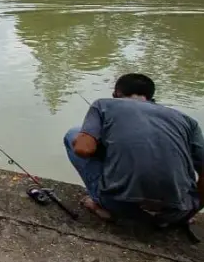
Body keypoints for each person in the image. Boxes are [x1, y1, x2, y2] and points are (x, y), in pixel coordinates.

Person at [64, 73, 204, 226]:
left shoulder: (103, 105)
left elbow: (83, 149)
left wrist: (97, 138)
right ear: (151, 97)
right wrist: (191, 210)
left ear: (116, 93)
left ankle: (106, 207)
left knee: (73, 135)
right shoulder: (188, 121)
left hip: (120, 206)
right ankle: (169, 218)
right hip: (177, 213)